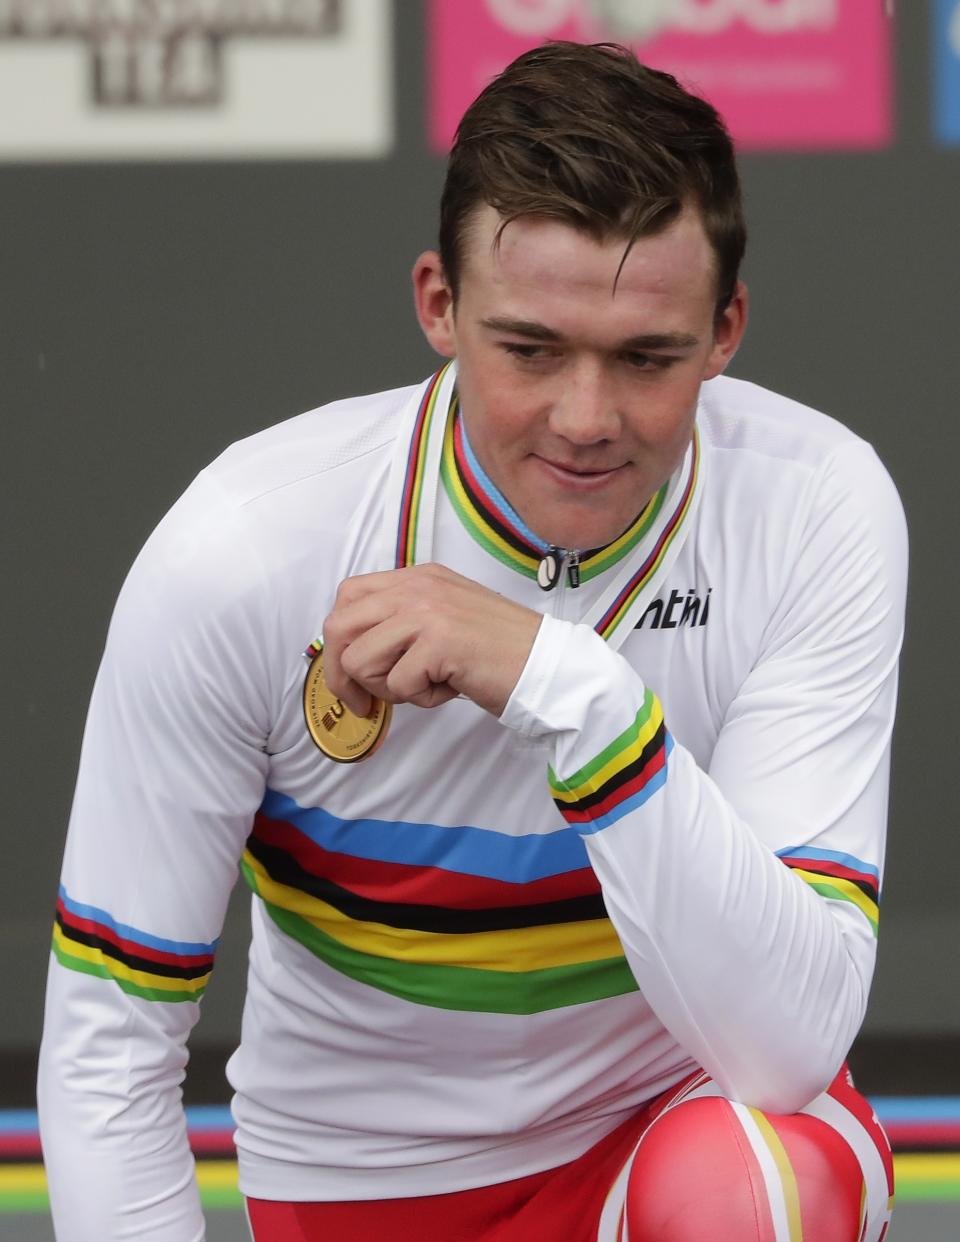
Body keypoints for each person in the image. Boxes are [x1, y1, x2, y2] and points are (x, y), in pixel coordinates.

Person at [38, 40, 906, 1242]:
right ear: (438, 307)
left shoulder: (814, 502)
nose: (587, 419)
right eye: (532, 350)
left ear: (727, 329)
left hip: (670, 1125)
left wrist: (576, 692)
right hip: (364, 1187)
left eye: (647, 357)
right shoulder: (247, 543)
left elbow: (789, 1045)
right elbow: (110, 1040)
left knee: (747, 1191)